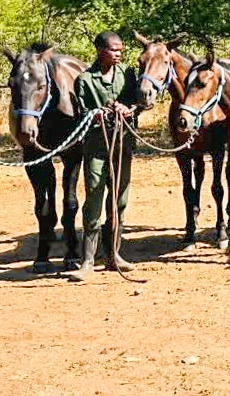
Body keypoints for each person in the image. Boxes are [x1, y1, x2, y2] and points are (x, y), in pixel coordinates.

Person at [68, 31, 137, 282]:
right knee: (94, 202)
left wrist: (127, 109)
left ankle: (113, 255)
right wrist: (94, 115)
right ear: (100, 50)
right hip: (97, 148)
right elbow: (81, 114)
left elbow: (137, 103)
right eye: (113, 50)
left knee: (119, 201)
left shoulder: (128, 76)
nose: (119, 54)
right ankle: (87, 260)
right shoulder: (85, 80)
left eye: (121, 50)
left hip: (123, 146)